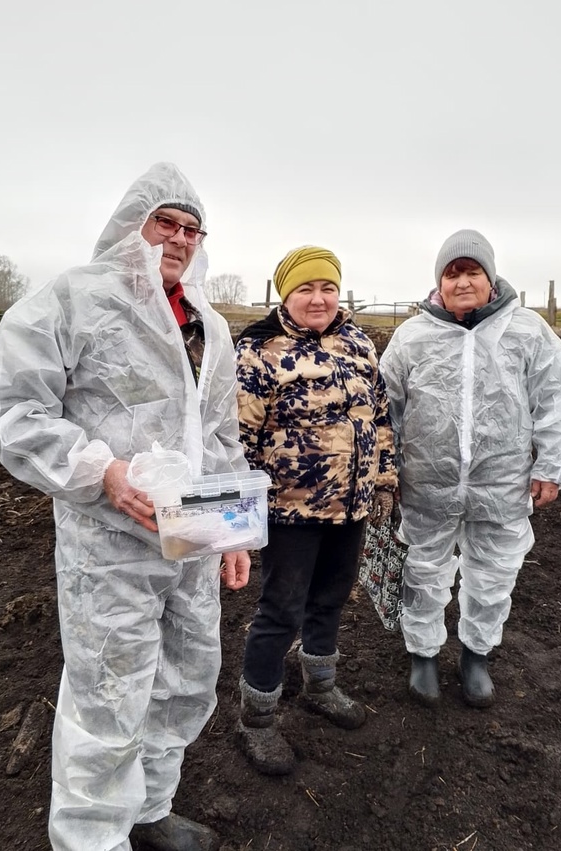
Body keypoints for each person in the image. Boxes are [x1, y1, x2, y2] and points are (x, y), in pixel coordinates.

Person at [0, 162, 250, 851]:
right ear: (134, 223)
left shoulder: (210, 325)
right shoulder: (70, 300)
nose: (181, 238)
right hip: (110, 544)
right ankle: (92, 838)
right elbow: (12, 411)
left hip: (189, 535)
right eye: (167, 221)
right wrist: (103, 471)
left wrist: (232, 533)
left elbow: (219, 436)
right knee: (109, 695)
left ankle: (150, 808)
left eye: (193, 228)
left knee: (186, 677)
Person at [380, 229, 561, 708]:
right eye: (452, 273)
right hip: (426, 479)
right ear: (438, 283)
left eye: (472, 272)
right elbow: (385, 407)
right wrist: (388, 473)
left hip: (502, 480)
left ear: (490, 278)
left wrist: (550, 465)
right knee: (423, 567)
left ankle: (476, 653)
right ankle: (423, 654)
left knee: (493, 571)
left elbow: (554, 403)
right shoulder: (412, 337)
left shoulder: (527, 331)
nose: (462, 282)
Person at [234, 245, 398, 775]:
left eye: (327, 287)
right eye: (306, 288)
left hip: (351, 506)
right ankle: (256, 718)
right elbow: (238, 438)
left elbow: (381, 417)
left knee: (330, 600)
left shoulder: (358, 342)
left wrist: (385, 480)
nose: (318, 297)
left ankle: (320, 687)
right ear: (286, 293)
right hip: (289, 512)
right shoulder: (259, 350)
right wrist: (241, 513)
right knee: (280, 611)